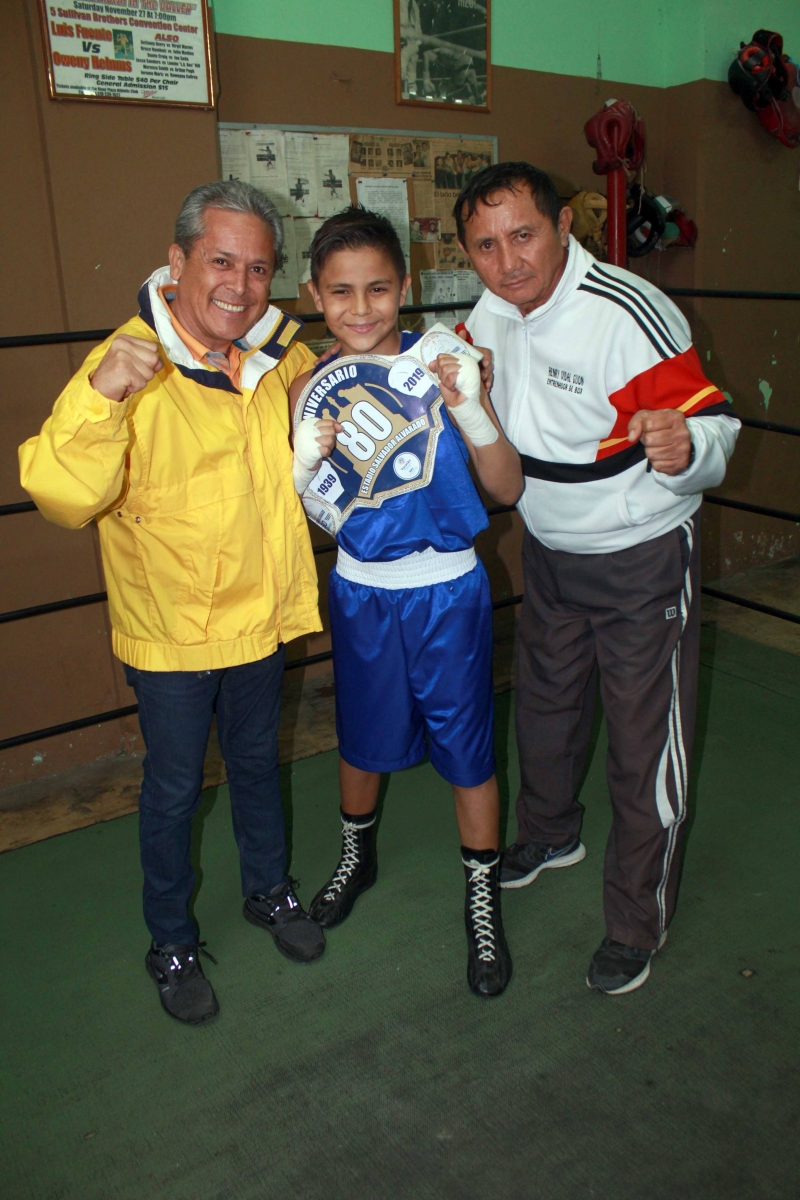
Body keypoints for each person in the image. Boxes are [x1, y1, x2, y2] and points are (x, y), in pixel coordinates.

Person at [19, 180, 326, 1026]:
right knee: (173, 789)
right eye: (221, 261)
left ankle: (269, 892)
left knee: (260, 766)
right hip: (174, 637)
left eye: (259, 267)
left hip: (259, 621)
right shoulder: (129, 360)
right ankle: (171, 940)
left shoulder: (278, 353)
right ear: (178, 260)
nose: (240, 284)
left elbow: (334, 414)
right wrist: (100, 397)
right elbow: (60, 494)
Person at [455, 162, 740, 995]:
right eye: (484, 245)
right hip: (547, 552)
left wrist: (690, 448)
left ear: (563, 225)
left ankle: (635, 919)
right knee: (542, 711)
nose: (507, 262)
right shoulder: (489, 313)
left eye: (523, 235)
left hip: (640, 555)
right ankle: (548, 832)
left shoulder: (627, 313)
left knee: (643, 746)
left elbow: (714, 422)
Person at [288, 206, 523, 998]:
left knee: (467, 744)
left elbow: (507, 487)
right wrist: (304, 465)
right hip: (361, 592)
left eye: (379, 289)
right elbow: (317, 508)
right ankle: (357, 855)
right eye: (342, 292)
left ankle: (481, 891)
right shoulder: (309, 387)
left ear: (406, 287)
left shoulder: (446, 363)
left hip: (447, 589)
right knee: (361, 736)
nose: (362, 309)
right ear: (314, 295)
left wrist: (469, 406)